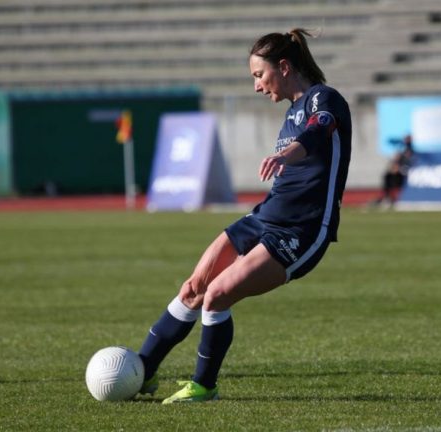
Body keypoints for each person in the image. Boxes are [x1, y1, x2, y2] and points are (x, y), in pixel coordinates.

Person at [135, 28, 352, 404]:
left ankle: (204, 386)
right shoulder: (290, 113)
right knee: (194, 288)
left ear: (283, 66)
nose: (256, 86)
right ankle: (140, 372)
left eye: (258, 75)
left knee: (217, 296)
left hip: (302, 230)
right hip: (262, 217)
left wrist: (287, 155)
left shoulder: (323, 98)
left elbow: (321, 129)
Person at [373, 134, 413, 206]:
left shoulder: (410, 151)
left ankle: (389, 197)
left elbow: (409, 163)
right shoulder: (403, 150)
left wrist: (399, 168)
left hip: (405, 173)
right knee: (387, 176)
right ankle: (387, 197)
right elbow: (396, 163)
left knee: (390, 177)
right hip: (399, 172)